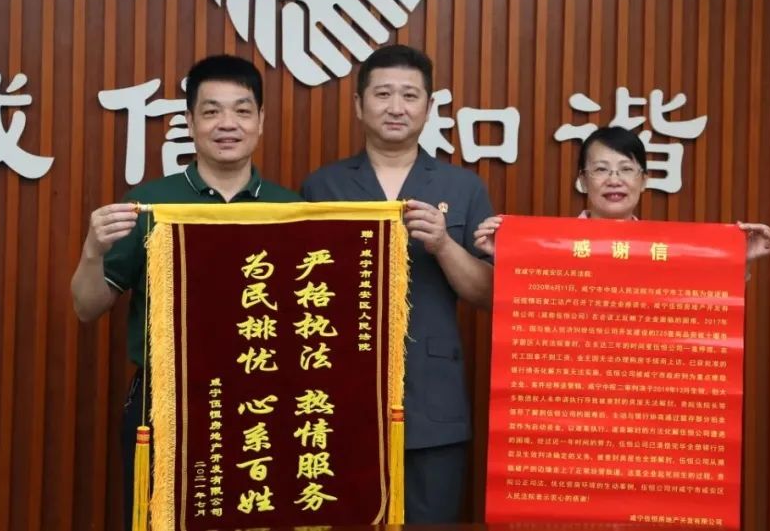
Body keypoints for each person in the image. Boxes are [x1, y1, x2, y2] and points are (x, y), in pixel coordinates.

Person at [69, 54, 300, 530]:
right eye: (211, 111)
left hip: (264, 403)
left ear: (260, 121)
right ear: (191, 123)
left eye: (242, 110)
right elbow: (87, 307)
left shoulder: (293, 209)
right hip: (164, 402)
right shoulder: (149, 202)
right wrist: (92, 250)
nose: (227, 124)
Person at [300, 44, 494, 523]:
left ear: (429, 107)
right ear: (359, 104)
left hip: (433, 399)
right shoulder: (323, 187)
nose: (396, 107)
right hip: (340, 396)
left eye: (410, 95)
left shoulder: (461, 187)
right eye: (383, 93)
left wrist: (443, 245)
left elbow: (487, 293)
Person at [473, 125, 770, 264]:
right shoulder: (553, 246)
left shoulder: (662, 251)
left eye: (626, 169)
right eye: (601, 170)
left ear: (644, 181)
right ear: (583, 181)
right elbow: (526, 303)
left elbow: (703, 298)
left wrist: (740, 260)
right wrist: (508, 255)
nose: (614, 180)